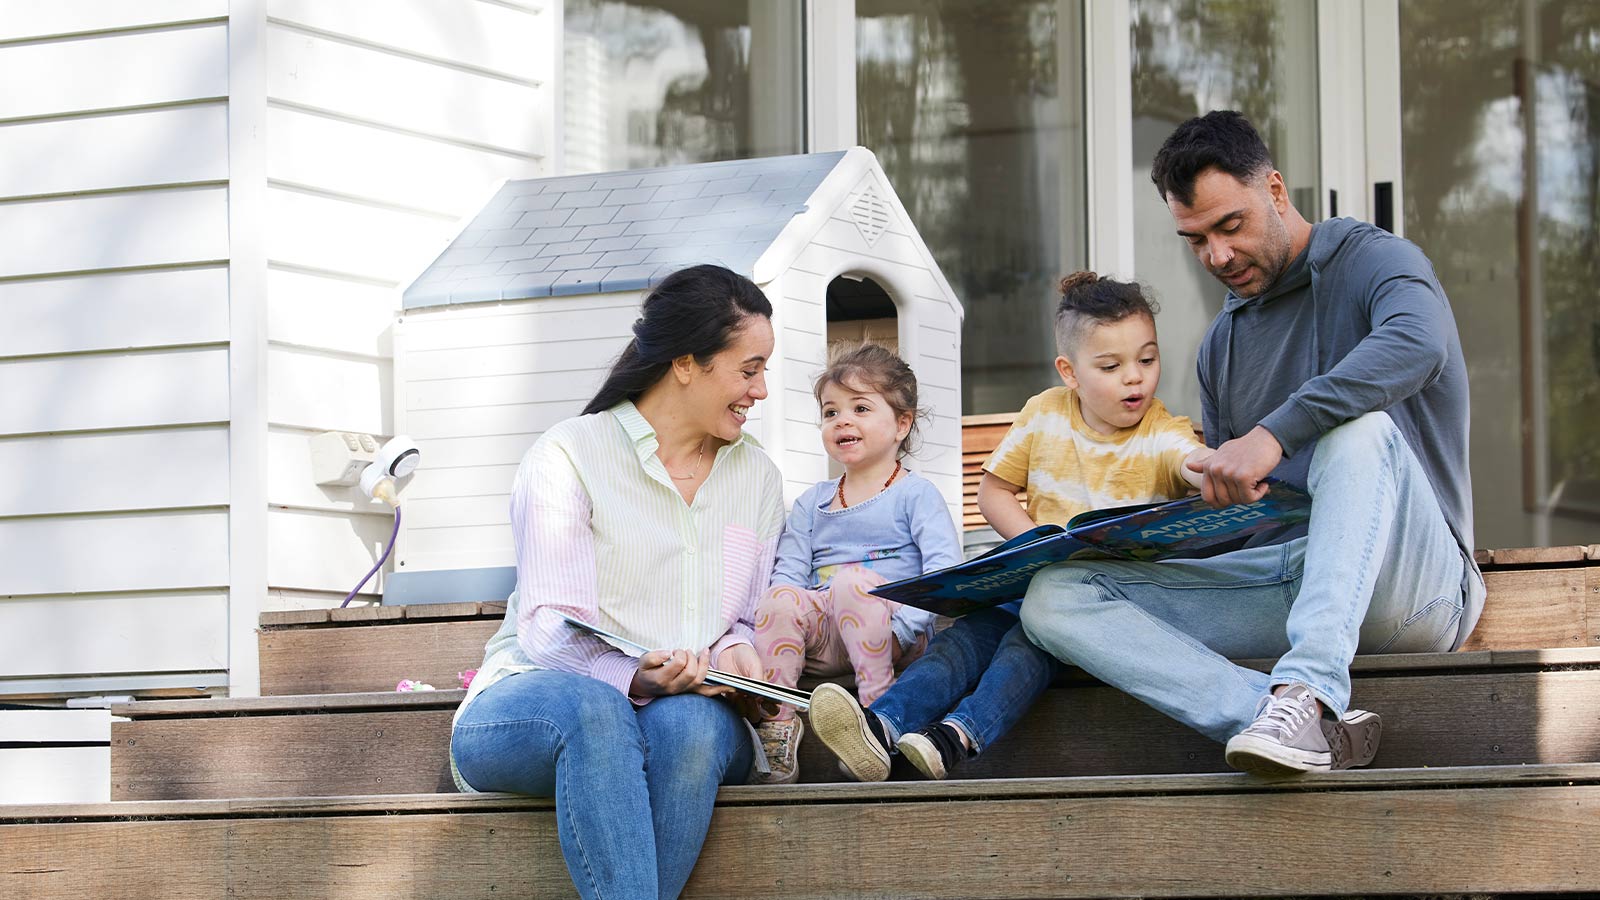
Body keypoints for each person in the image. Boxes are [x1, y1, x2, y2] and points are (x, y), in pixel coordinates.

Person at [1021, 110, 1485, 777]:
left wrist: (1273, 434)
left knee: (1356, 431)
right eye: (1195, 239)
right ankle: (1289, 718)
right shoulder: (1222, 347)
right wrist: (1158, 529)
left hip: (1419, 585)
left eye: (1229, 226)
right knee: (1055, 595)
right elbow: (1248, 527)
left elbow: (1419, 343)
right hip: (1295, 587)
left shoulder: (1373, 261)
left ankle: (1311, 689)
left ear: (1274, 190)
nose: (1216, 256)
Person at [448, 264, 787, 900]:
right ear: (686, 363)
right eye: (749, 369)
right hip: (540, 703)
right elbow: (549, 626)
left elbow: (737, 619)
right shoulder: (568, 455)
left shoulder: (758, 479)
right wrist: (632, 677)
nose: (761, 390)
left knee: (686, 727)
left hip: (689, 711)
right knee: (595, 709)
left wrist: (743, 660)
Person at [807, 272, 1213, 782]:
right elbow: (994, 492)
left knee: (1031, 642)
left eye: (1147, 360)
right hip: (1035, 579)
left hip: (1105, 605)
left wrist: (1215, 466)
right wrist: (1034, 543)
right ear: (1070, 371)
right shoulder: (1044, 415)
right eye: (1111, 366)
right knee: (964, 638)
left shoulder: (1161, 430)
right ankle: (880, 726)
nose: (1135, 377)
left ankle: (955, 736)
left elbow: (1190, 458)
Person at [750, 344, 962, 784]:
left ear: (902, 423)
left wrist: (906, 628)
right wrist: (783, 614)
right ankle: (779, 725)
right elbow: (789, 572)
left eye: (860, 408)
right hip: (827, 642)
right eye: (830, 412)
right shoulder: (812, 503)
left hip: (893, 634)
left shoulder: (914, 495)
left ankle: (873, 720)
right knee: (778, 597)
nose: (842, 420)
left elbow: (943, 572)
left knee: (853, 584)